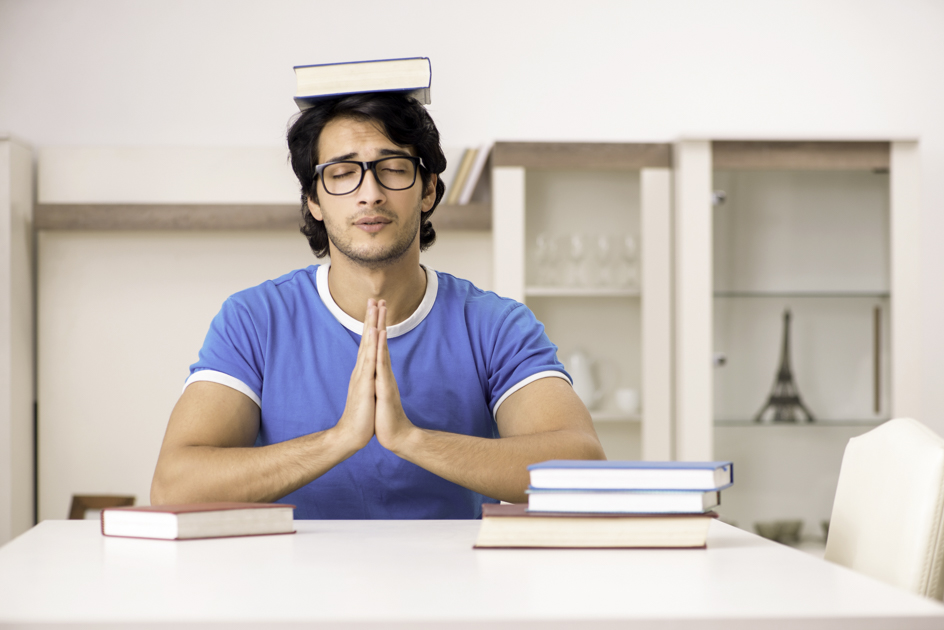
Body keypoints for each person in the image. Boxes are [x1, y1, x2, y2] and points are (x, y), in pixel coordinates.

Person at [150, 91, 605, 518]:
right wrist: (339, 439)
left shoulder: (494, 325)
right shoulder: (254, 320)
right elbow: (174, 486)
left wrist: (410, 439)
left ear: (427, 190)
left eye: (392, 167)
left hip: (455, 589)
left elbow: (580, 469)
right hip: (289, 589)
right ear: (313, 200)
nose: (370, 193)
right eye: (343, 173)